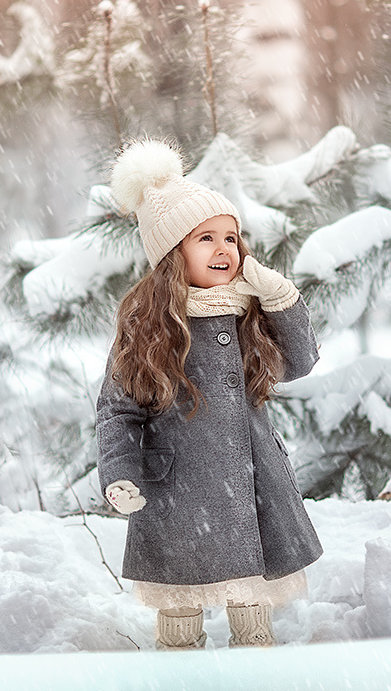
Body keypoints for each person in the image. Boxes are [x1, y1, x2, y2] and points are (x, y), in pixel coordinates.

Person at [95, 138, 323, 650]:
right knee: (178, 607)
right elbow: (117, 412)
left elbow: (300, 362)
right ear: (173, 253)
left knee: (251, 608)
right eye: (207, 239)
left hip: (249, 482)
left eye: (232, 237)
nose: (226, 249)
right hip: (176, 493)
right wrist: (120, 473)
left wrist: (279, 297)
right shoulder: (146, 327)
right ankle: (179, 676)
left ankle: (255, 676)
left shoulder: (247, 311)